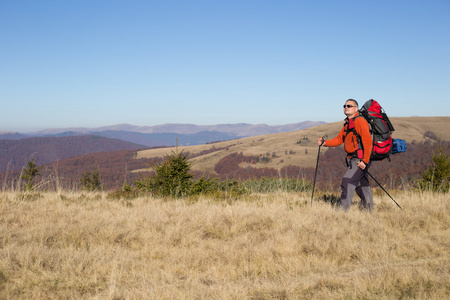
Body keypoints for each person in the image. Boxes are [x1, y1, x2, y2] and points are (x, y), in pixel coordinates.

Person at [317, 99, 373, 211]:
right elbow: (339, 139)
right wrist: (325, 143)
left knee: (347, 182)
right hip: (354, 159)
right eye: (345, 105)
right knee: (362, 185)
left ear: (356, 109)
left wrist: (365, 161)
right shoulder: (348, 123)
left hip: (360, 159)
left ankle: (342, 212)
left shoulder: (360, 121)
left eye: (349, 106)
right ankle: (368, 211)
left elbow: (367, 142)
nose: (346, 107)